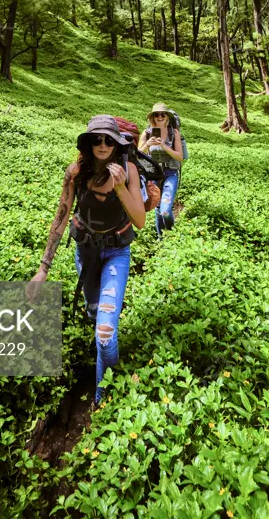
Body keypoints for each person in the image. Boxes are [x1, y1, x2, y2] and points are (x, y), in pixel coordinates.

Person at [28, 115, 145, 406]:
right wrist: (43, 269)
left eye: (108, 139)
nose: (102, 144)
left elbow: (140, 220)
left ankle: (100, 396)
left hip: (116, 252)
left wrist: (119, 187)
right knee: (96, 317)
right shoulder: (75, 172)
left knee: (105, 335)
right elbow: (61, 217)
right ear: (88, 142)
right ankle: (104, 362)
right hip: (86, 252)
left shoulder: (128, 170)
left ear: (116, 143)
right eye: (96, 139)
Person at [138, 103, 183, 239]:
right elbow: (137, 154)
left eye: (163, 114)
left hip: (170, 172)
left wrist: (164, 146)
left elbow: (179, 156)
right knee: (158, 209)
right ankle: (160, 239)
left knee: (165, 211)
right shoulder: (147, 133)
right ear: (153, 117)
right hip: (153, 174)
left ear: (167, 117)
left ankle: (171, 236)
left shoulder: (173, 133)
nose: (160, 117)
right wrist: (147, 144)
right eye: (156, 114)